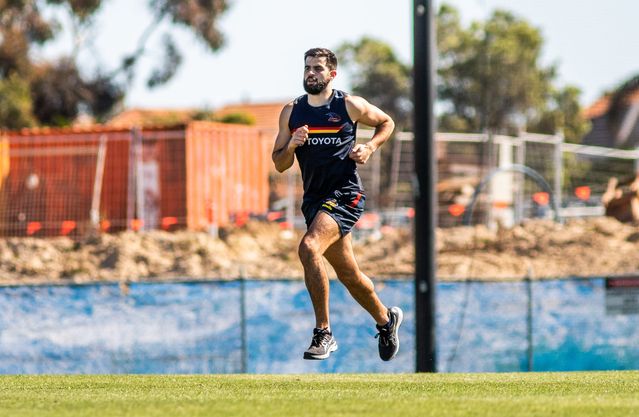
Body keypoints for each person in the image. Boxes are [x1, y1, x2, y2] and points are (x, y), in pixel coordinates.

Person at [271, 47, 403, 361]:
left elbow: (387, 123)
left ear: (332, 74)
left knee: (309, 248)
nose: (310, 73)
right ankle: (386, 320)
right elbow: (279, 163)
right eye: (307, 68)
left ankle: (323, 333)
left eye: (317, 68)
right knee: (349, 274)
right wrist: (291, 144)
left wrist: (370, 147)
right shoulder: (292, 112)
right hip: (314, 201)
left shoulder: (349, 105)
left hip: (345, 195)